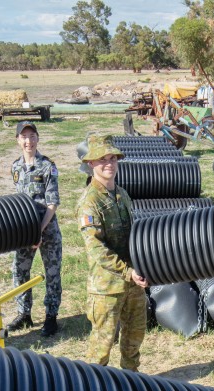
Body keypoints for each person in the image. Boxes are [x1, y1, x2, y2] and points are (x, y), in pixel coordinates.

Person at [77, 134, 149, 370]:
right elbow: (97, 249)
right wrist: (127, 272)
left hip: (133, 283)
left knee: (134, 339)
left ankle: (130, 384)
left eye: (113, 158)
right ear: (91, 164)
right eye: (102, 159)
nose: (109, 163)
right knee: (101, 348)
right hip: (107, 287)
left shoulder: (122, 195)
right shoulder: (90, 202)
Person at [9, 121, 63, 337]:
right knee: (19, 271)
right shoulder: (15, 167)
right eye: (24, 137)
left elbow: (52, 204)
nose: (28, 141)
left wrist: (39, 231)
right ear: (18, 140)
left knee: (52, 273)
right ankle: (24, 314)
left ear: (37, 139)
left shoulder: (48, 167)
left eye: (32, 136)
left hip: (47, 230)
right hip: (24, 232)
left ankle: (51, 317)